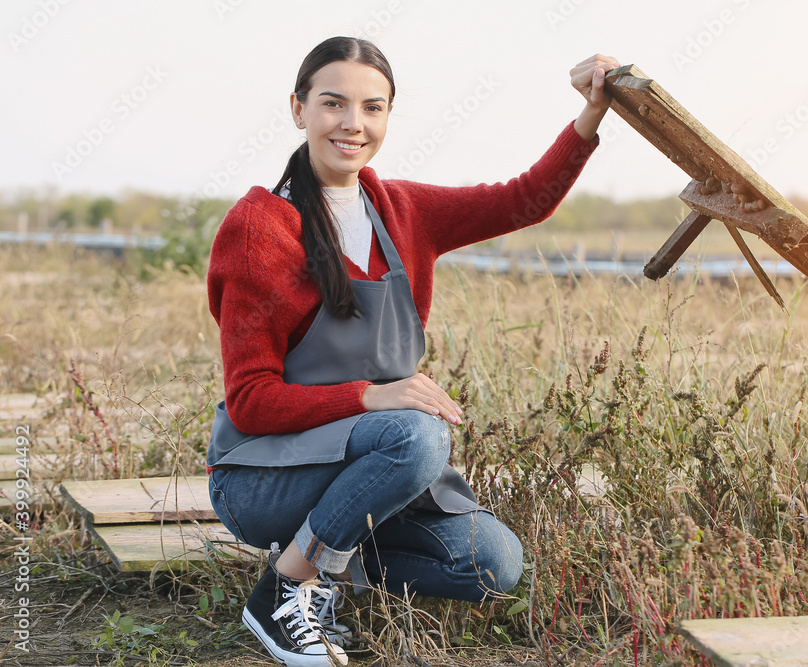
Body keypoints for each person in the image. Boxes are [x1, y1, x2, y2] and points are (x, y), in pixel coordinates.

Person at [205, 36, 618, 666]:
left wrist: (590, 115)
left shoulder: (403, 211)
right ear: (298, 109)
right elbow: (252, 402)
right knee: (418, 435)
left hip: (370, 462)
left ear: (388, 117)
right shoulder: (260, 230)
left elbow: (523, 199)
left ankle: (322, 560)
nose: (353, 124)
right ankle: (285, 591)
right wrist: (373, 396)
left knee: (492, 564)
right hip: (266, 477)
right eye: (333, 104)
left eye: (373, 108)